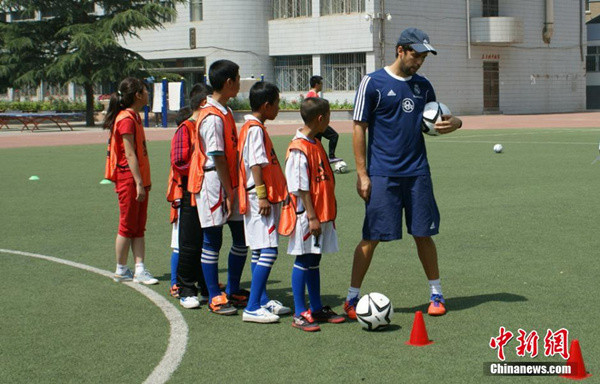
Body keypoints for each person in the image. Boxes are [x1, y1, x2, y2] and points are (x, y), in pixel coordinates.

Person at [344, 28, 462, 318]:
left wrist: (456, 123)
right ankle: (351, 299)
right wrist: (362, 173)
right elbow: (359, 128)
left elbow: (441, 119)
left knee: (424, 234)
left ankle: (436, 294)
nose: (420, 61)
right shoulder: (373, 83)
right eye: (416, 54)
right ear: (400, 50)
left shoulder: (423, 86)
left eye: (424, 56)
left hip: (417, 172)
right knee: (371, 235)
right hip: (383, 174)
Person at [187, 60, 248, 315]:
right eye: (237, 78)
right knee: (212, 239)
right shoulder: (211, 116)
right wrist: (229, 190)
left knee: (241, 237)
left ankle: (232, 288)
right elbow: (218, 156)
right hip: (214, 182)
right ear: (228, 83)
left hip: (228, 180)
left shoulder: (225, 110)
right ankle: (214, 295)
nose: (239, 82)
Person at [280, 97, 346, 331]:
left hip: (321, 212)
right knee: (304, 260)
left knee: (314, 259)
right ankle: (300, 313)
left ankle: (316, 308)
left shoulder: (314, 143)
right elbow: (299, 187)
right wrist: (311, 216)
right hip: (306, 215)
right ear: (320, 119)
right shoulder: (298, 148)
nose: (330, 120)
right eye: (329, 116)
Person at [237, 81, 292, 323]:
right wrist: (262, 195)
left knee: (259, 249)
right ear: (266, 105)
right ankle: (252, 307)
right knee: (269, 249)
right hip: (260, 197)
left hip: (255, 195)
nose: (279, 109)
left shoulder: (251, 126)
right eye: (277, 104)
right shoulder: (256, 129)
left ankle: (260, 299)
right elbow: (256, 164)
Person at [104, 77, 158, 285]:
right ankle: (120, 268)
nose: (147, 94)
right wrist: (138, 182)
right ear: (137, 95)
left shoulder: (134, 117)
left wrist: (144, 180)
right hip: (128, 178)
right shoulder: (126, 119)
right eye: (145, 90)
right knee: (127, 225)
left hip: (136, 178)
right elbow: (130, 154)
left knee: (138, 226)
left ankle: (139, 268)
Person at [167, 84, 213, 308]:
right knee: (189, 244)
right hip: (191, 193)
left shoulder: (208, 126)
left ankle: (207, 287)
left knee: (208, 243)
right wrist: (203, 170)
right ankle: (186, 288)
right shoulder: (186, 128)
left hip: (210, 193)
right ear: (204, 103)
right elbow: (178, 161)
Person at [306, 75, 341, 163]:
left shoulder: (312, 94)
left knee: (317, 143)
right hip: (317, 124)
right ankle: (331, 157)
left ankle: (317, 162)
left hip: (316, 123)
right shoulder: (313, 95)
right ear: (317, 84)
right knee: (334, 135)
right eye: (321, 83)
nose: (322, 85)